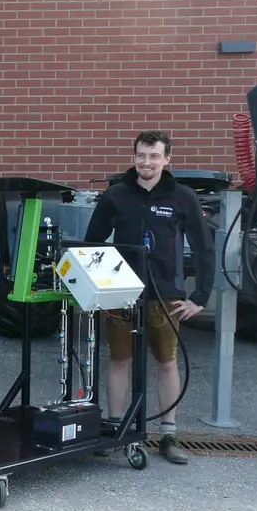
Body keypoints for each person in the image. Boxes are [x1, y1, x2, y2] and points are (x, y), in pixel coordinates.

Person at [83, 129, 214, 465]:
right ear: (134, 157)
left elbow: (203, 247)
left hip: (166, 294)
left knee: (167, 362)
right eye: (141, 155)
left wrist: (200, 296)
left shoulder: (182, 196)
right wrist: (96, 291)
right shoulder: (116, 195)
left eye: (154, 156)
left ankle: (168, 434)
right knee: (120, 359)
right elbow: (93, 243)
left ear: (167, 159)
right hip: (121, 293)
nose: (147, 162)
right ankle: (115, 429)